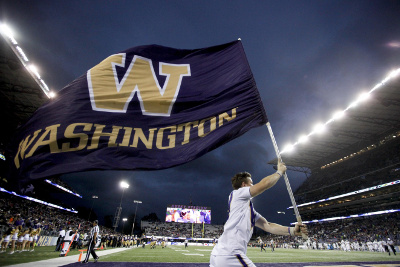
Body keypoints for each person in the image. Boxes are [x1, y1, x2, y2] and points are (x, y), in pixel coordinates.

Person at [210, 160, 308, 267]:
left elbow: (268, 226)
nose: (253, 185)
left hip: (220, 253)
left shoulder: (247, 210)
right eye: (251, 183)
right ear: (244, 185)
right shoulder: (238, 193)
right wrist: (279, 172)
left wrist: (293, 231)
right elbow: (263, 185)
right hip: (230, 254)